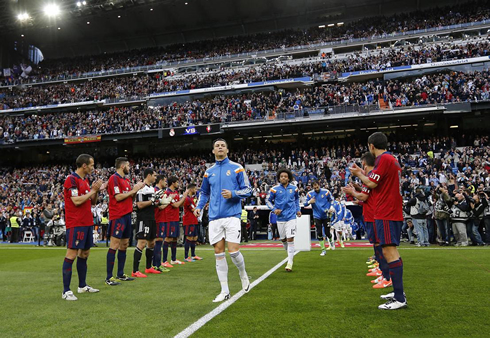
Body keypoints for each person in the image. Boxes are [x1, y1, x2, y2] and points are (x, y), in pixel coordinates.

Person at [350, 132, 407, 310]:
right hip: (389, 210)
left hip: (387, 211)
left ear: (371, 146)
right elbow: (375, 182)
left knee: (389, 252)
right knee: (389, 251)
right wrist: (361, 173)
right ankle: (398, 293)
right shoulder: (391, 159)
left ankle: (399, 298)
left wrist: (359, 175)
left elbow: (372, 184)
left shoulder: (384, 159)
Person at [194, 138, 252, 303]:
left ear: (227, 150)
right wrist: (199, 206)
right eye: (217, 146)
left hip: (232, 215)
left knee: (233, 251)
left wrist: (233, 194)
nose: (219, 148)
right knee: (219, 254)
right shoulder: (208, 172)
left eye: (222, 146)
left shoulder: (237, 168)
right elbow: (204, 192)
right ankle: (225, 291)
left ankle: (243, 273)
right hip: (214, 218)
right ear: (213, 151)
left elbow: (248, 190)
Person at [343, 151, 392, 289]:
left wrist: (352, 193)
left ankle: (386, 276)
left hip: (374, 215)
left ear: (364, 164)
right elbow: (367, 196)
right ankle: (383, 273)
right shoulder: (369, 178)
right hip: (371, 214)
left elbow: (364, 197)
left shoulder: (371, 177)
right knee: (377, 245)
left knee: (380, 246)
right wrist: (357, 189)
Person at [62, 154, 103, 301]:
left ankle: (82, 286)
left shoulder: (85, 181)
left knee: (84, 254)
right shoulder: (71, 179)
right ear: (84, 165)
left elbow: (92, 202)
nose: (93, 167)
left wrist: (96, 190)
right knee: (71, 254)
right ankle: (66, 291)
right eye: (92, 165)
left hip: (86, 222)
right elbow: (76, 201)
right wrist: (92, 190)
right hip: (76, 222)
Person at [105, 157, 145, 286]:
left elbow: (129, 196)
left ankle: (120, 274)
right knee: (115, 244)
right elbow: (118, 197)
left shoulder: (126, 180)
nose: (130, 167)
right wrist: (133, 190)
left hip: (127, 214)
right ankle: (109, 277)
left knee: (125, 244)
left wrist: (136, 189)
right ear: (122, 166)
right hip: (118, 215)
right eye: (128, 165)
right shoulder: (114, 178)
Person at [266, 168, 301, 272]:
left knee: (290, 238)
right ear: (279, 178)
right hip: (280, 218)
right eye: (281, 176)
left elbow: (297, 199)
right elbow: (268, 201)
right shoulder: (274, 189)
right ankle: (289, 255)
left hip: (291, 217)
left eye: (285, 176)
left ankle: (290, 262)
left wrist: (298, 210)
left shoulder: (294, 188)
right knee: (283, 239)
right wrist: (273, 209)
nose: (283, 178)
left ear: (289, 178)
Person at [132, 168, 162, 277]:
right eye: (154, 175)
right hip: (143, 218)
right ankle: (135, 270)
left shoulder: (152, 189)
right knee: (142, 243)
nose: (155, 177)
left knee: (151, 243)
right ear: (148, 175)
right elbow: (139, 204)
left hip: (151, 218)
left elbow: (152, 203)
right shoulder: (141, 188)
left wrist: (159, 202)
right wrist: (152, 201)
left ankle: (148, 267)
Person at [161, 176, 188, 267]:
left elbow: (181, 204)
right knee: (168, 238)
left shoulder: (175, 192)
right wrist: (184, 197)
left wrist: (183, 198)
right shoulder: (167, 193)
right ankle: (164, 260)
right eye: (177, 182)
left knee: (175, 238)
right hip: (169, 218)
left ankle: (173, 259)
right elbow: (176, 205)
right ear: (173, 183)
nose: (178, 184)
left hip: (176, 218)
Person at [305, 180, 334, 255]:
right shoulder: (309, 194)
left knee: (327, 233)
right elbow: (304, 204)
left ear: (319, 185)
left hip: (326, 215)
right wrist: (309, 202)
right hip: (316, 215)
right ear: (312, 187)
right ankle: (323, 249)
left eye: (317, 185)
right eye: (314, 186)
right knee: (319, 232)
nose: (316, 187)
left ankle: (331, 241)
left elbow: (332, 200)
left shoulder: (326, 192)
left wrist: (331, 207)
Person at [153, 175, 172, 272]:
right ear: (160, 181)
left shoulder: (161, 191)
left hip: (162, 219)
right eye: (164, 181)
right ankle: (156, 265)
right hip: (158, 219)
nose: (166, 183)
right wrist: (169, 200)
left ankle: (156, 264)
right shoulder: (156, 191)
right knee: (158, 241)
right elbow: (160, 207)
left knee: (160, 241)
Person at [183, 183, 203, 262]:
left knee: (195, 237)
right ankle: (186, 256)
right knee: (189, 237)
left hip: (193, 220)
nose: (196, 190)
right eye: (194, 189)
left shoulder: (191, 199)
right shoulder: (187, 199)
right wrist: (197, 211)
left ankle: (193, 255)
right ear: (191, 189)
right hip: (189, 221)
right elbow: (193, 209)